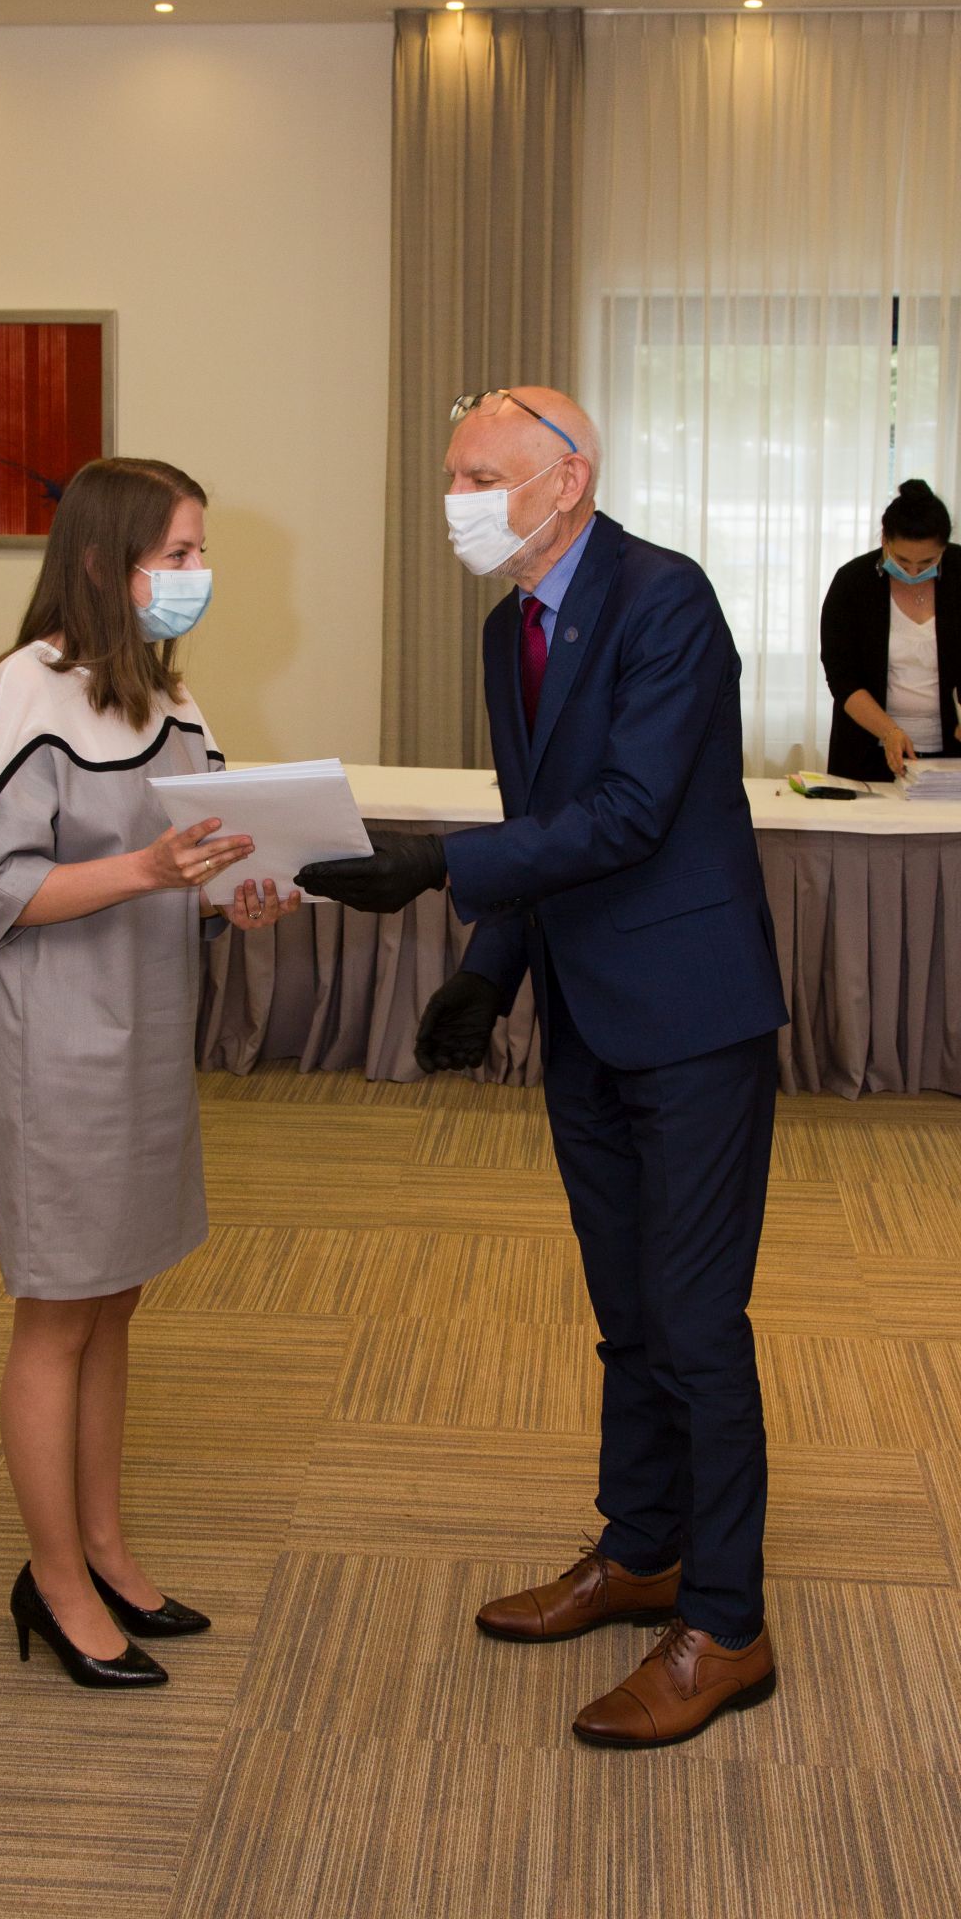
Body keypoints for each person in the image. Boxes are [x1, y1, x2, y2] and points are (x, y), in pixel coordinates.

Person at [299, 387, 788, 1750]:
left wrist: (435, 866)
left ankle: (727, 1625)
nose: (455, 499)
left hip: (690, 1016)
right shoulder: (503, 625)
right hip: (586, 1013)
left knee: (695, 1325)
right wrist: (489, 971)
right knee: (626, 1310)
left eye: (480, 476)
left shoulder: (663, 599)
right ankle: (641, 1551)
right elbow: (545, 822)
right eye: (451, 476)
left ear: (566, 481)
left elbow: (626, 815)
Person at [0, 457, 298, 1689]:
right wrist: (151, 873)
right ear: (104, 561)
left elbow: (187, 862)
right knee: (57, 1311)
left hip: (146, 1031)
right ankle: (52, 1580)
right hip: (52, 1041)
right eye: (180, 555)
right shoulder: (24, 691)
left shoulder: (168, 694)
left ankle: (102, 1546)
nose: (199, 575)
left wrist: (229, 895)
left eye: (201, 553)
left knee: (116, 1298)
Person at [821, 479, 961, 779]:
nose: (914, 572)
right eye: (902, 561)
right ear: (885, 539)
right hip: (867, 751)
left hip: (952, 755)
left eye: (927, 562)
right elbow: (842, 677)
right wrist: (888, 731)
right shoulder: (853, 582)